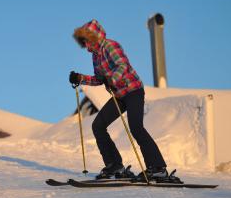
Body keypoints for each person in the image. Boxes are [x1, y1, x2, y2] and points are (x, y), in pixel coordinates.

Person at [69, 19, 167, 180]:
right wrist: (80, 78)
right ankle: (114, 165)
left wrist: (112, 79)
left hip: (133, 90)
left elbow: (123, 65)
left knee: (136, 127)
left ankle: (157, 167)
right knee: (98, 125)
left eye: (87, 40)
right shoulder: (95, 56)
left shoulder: (110, 46)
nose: (85, 45)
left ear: (94, 37)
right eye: (83, 42)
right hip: (119, 95)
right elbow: (100, 80)